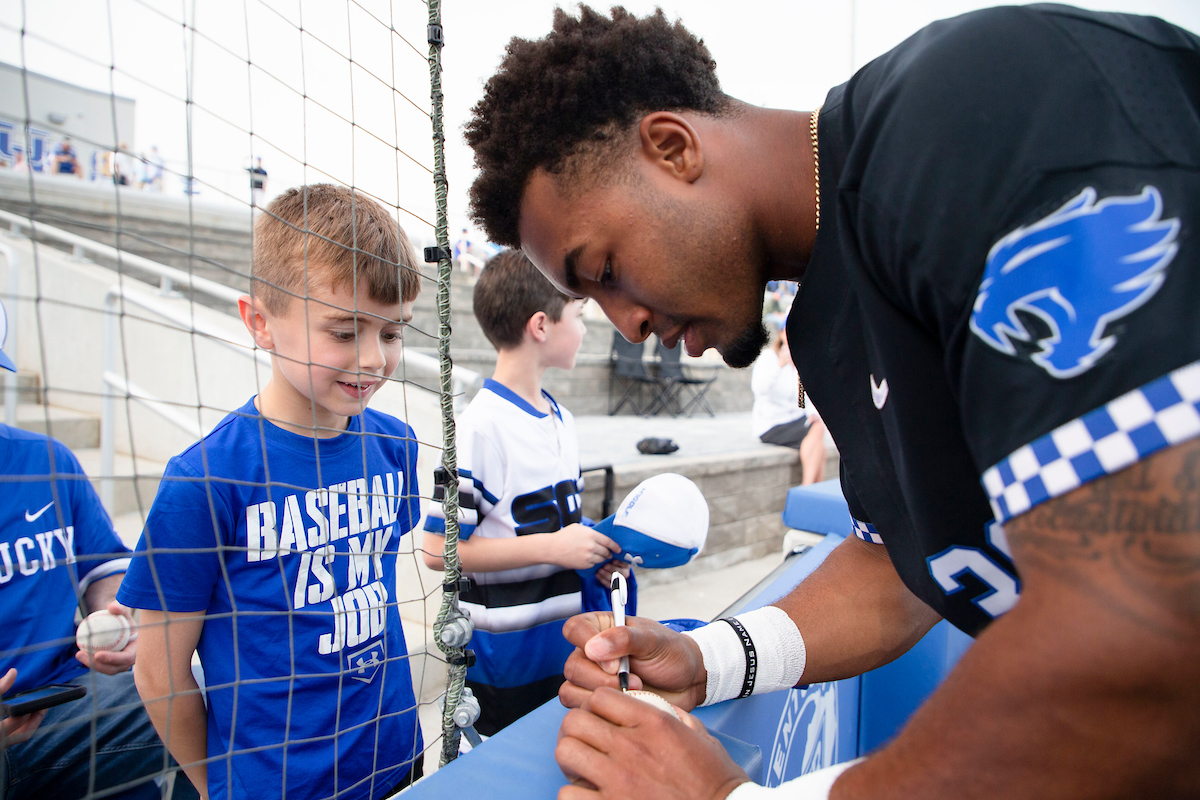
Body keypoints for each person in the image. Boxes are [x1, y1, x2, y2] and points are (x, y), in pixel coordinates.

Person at [463, 5, 1200, 798]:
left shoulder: (973, 107)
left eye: (606, 270)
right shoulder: (828, 319)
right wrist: (711, 659)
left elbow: (1159, 611)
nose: (628, 325)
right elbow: (903, 570)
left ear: (673, 148)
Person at [117, 184, 426, 800]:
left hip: (394, 758)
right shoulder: (205, 479)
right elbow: (158, 672)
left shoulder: (396, 445)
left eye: (393, 334)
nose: (374, 359)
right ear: (260, 322)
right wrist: (214, 786)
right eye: (346, 332)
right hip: (277, 783)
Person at [421, 249, 626, 736]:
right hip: (504, 665)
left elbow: (556, 529)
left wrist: (596, 552)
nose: (585, 328)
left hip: (565, 646)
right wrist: (554, 548)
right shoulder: (480, 428)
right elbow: (435, 549)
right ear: (541, 325)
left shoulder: (562, 419)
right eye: (579, 314)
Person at [0, 300, 197, 800]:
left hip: (68, 700)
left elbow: (103, 569)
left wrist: (118, 616)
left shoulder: (44, 459)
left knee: (212, 685)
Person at [751, 324, 826, 485]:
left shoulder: (799, 362)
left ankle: (812, 488)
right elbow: (759, 390)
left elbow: (801, 400)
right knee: (817, 436)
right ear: (781, 334)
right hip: (771, 423)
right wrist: (780, 366)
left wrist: (799, 372)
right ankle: (808, 486)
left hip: (794, 421)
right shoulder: (768, 357)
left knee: (818, 435)